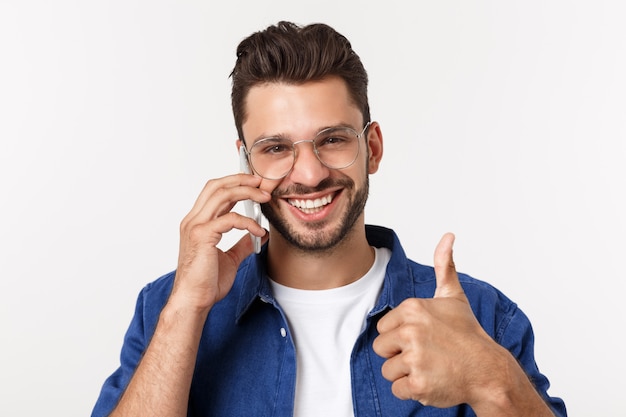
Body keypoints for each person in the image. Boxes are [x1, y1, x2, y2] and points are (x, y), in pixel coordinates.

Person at [91, 21, 567, 417]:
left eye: (333, 139)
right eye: (276, 148)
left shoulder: (481, 318)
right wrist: (185, 311)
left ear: (372, 147)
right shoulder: (170, 309)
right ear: (246, 164)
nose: (311, 173)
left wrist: (491, 379)